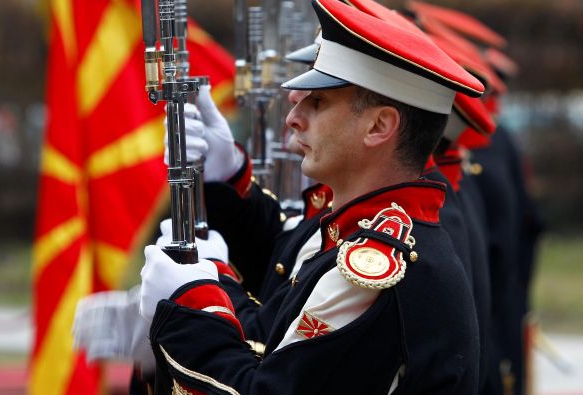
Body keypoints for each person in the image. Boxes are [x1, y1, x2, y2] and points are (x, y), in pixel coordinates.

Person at [138, 0, 485, 393]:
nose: (293, 117)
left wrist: (190, 304)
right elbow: (284, 272)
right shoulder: (357, 226)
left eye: (317, 101)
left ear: (378, 126)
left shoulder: (374, 267)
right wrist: (226, 178)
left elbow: (268, 382)